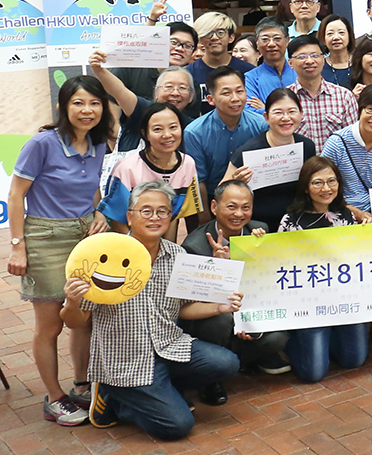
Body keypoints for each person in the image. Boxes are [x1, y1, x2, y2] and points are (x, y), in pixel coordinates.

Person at [63, 180, 240, 440]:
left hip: (168, 345)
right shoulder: (104, 257)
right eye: (146, 211)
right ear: (129, 217)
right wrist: (72, 301)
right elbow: (75, 322)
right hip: (125, 360)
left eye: (162, 211)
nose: (155, 217)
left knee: (227, 363)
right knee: (178, 426)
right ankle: (114, 396)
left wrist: (218, 307)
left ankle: (159, 391)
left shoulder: (177, 255)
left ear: (170, 217)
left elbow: (183, 309)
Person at [10, 76, 113, 426]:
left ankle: (81, 385)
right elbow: (16, 195)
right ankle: (54, 398)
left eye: (94, 103)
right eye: (78, 103)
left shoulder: (98, 144)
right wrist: (18, 247)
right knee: (50, 325)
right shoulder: (42, 143)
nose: (87, 110)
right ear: (63, 107)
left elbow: (93, 188)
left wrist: (98, 212)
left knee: (82, 316)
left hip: (84, 237)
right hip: (45, 238)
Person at [179, 180, 289, 393]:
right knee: (221, 321)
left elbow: (267, 282)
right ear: (214, 207)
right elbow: (192, 304)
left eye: (245, 207)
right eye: (231, 206)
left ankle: (245, 360)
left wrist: (262, 251)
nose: (239, 214)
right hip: (212, 317)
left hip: (246, 309)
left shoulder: (259, 231)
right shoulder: (194, 247)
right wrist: (219, 267)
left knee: (277, 339)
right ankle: (210, 376)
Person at [278, 157, 368, 383]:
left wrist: (369, 234)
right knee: (313, 374)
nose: (326, 188)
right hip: (309, 303)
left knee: (354, 359)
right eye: (317, 183)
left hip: (344, 299)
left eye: (331, 181)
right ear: (306, 188)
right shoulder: (291, 220)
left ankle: (322, 344)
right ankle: (292, 345)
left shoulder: (346, 215)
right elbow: (279, 263)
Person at [224, 88, 317, 228]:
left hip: (298, 221)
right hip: (258, 225)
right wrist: (236, 183)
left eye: (292, 111)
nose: (286, 118)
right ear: (266, 117)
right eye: (278, 112)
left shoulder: (307, 146)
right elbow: (222, 192)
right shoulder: (249, 151)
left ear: (301, 114)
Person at [106, 102, 206, 233]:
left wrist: (168, 245)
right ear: (145, 134)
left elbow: (173, 217)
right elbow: (117, 221)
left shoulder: (187, 163)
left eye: (173, 127)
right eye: (158, 129)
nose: (167, 135)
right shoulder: (126, 168)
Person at [87, 52, 194, 153]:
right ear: (156, 92)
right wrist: (99, 70)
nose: (175, 93)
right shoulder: (143, 109)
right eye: (168, 87)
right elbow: (120, 92)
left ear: (191, 96)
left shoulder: (192, 127)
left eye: (182, 88)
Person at [319, 84, 372, 216]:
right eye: (370, 110)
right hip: (337, 209)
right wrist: (357, 213)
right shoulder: (336, 143)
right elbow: (323, 188)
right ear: (360, 109)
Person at [185, 68, 270, 194]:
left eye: (239, 91)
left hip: (254, 194)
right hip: (212, 195)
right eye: (226, 93)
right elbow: (198, 182)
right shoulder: (195, 133)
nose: (235, 98)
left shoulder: (261, 125)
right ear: (211, 99)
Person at [185, 12, 254, 97]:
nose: (214, 37)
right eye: (208, 33)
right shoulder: (188, 74)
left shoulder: (249, 72)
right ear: (201, 38)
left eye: (220, 33)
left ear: (231, 37)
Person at [242, 19, 295, 113]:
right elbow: (250, 112)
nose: (271, 44)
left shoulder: (299, 72)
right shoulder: (250, 78)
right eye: (265, 39)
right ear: (257, 43)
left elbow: (309, 108)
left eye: (277, 39)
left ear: (287, 41)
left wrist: (266, 108)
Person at [319, 15, 356, 87]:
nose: (336, 37)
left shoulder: (360, 63)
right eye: (330, 33)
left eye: (341, 32)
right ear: (323, 39)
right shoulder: (319, 67)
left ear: (349, 36)